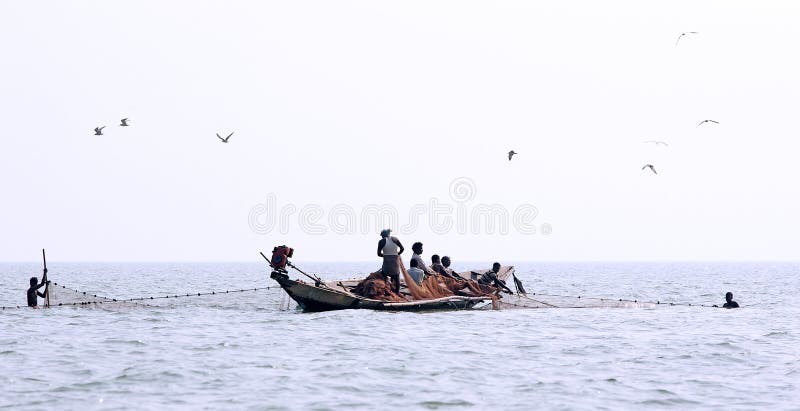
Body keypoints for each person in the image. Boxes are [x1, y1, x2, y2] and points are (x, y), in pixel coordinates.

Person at [377, 229, 404, 294]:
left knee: (384, 276)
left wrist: (385, 255)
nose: (381, 237)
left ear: (383, 235)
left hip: (387, 264)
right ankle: (397, 292)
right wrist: (397, 254)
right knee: (397, 276)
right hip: (395, 262)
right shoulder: (395, 239)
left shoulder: (381, 241)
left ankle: (386, 292)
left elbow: (378, 254)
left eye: (381, 235)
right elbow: (402, 249)